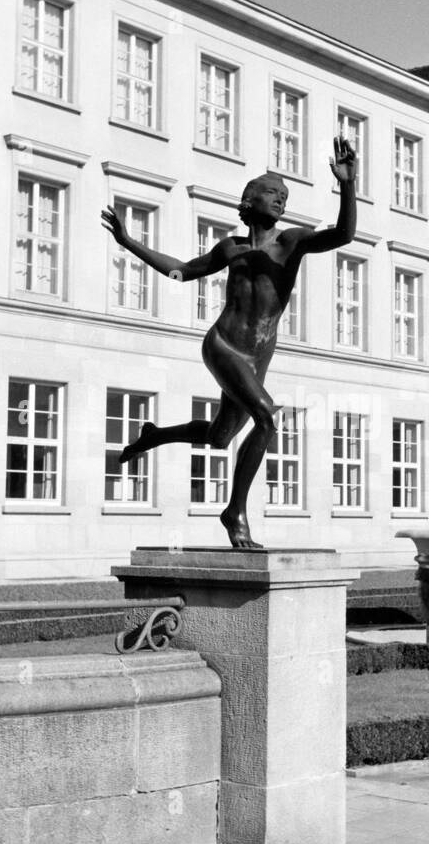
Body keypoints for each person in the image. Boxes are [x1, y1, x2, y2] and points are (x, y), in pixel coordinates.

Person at [101, 137, 357, 549]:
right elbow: (182, 271)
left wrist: (347, 184)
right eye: (273, 193)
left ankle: (154, 435)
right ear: (250, 199)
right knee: (270, 418)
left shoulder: (291, 242)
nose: (281, 201)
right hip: (222, 345)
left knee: (220, 437)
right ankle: (235, 513)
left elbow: (344, 234)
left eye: (285, 197)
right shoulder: (230, 248)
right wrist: (129, 243)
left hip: (257, 357)